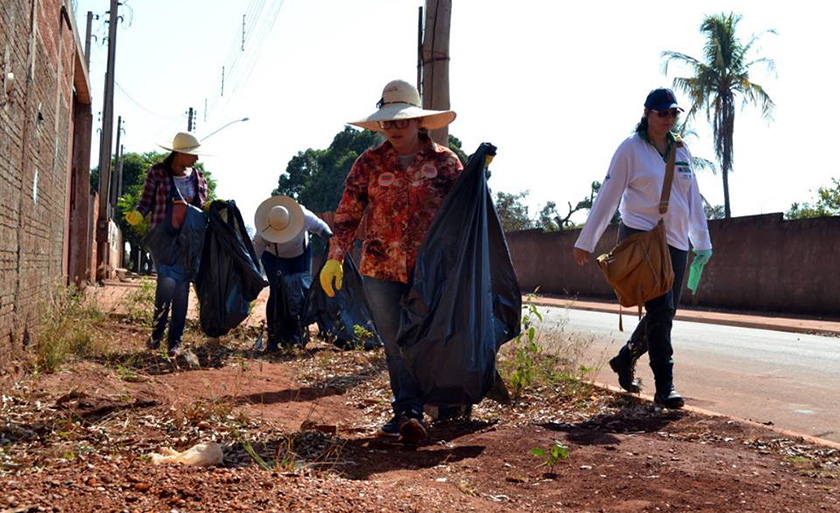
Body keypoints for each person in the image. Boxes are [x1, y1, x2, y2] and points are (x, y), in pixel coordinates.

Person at [319, 79, 462, 444]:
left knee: (432, 338)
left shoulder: (445, 163)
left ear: (419, 123)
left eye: (403, 120)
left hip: (431, 271)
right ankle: (408, 412)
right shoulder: (368, 163)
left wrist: (480, 175)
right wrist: (335, 258)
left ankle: (446, 403)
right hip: (380, 269)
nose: (396, 128)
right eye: (389, 121)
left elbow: (467, 213)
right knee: (395, 341)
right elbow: (348, 215)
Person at [572, 88, 713, 409]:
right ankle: (665, 386)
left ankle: (625, 359)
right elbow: (609, 194)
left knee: (664, 314)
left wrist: (701, 242)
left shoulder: (682, 150)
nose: (668, 119)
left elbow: (692, 198)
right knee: (661, 313)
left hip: (676, 243)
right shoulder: (630, 149)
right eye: (661, 113)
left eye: (673, 113)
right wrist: (587, 240)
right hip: (641, 240)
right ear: (647, 113)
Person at [125, 132, 209, 356]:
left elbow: (202, 207)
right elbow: (146, 200)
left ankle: (174, 343)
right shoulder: (158, 173)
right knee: (166, 284)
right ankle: (156, 337)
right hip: (163, 237)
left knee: (181, 288)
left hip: (189, 240)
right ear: (179, 153)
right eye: (192, 154)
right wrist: (138, 214)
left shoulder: (198, 177)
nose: (196, 158)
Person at [252, 195, 332, 351]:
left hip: (301, 255)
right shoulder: (262, 233)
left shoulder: (305, 216)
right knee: (277, 294)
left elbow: (324, 230)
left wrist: (333, 244)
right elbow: (254, 258)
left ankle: (299, 334)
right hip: (273, 258)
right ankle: (274, 336)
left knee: (302, 292)